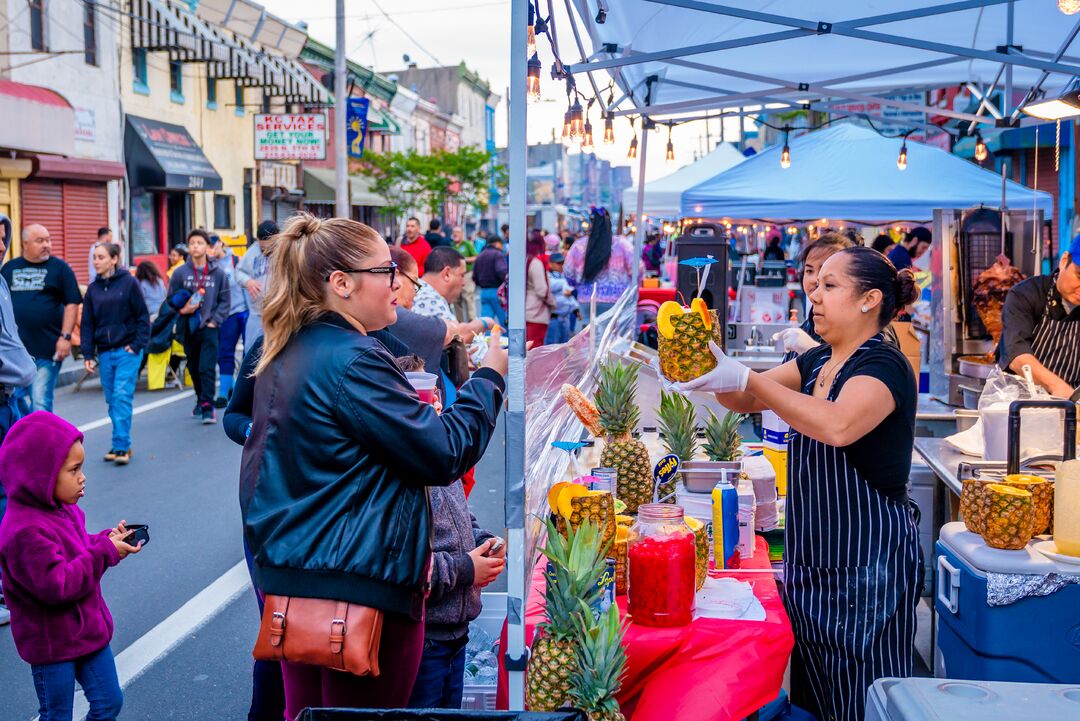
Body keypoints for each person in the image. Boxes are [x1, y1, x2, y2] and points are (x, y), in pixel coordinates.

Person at [239, 213, 507, 714]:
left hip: (299, 585)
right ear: (341, 284)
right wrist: (489, 379)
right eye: (386, 271)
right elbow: (443, 453)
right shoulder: (354, 358)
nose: (398, 284)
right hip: (362, 595)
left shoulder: (289, 349)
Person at [673, 247, 921, 721]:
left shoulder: (884, 366)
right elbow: (744, 398)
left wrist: (747, 375)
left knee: (861, 697)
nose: (815, 296)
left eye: (830, 286)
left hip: (868, 568)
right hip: (813, 562)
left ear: (870, 299)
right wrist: (707, 364)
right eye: (815, 284)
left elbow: (837, 425)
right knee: (814, 696)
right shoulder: (818, 360)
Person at [0, 412, 143, 721]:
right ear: (40, 476)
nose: (83, 477)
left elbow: (77, 548)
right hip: (52, 646)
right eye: (73, 469)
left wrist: (107, 540)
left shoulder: (62, 509)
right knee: (57, 715)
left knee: (109, 702)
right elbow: (58, 584)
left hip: (86, 632)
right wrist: (105, 552)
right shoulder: (24, 532)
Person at [397, 354, 505, 710]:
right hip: (425, 637)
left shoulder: (444, 464)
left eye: (438, 395)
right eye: (423, 397)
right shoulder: (406, 471)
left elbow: (462, 515)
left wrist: (481, 540)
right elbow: (408, 563)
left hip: (456, 634)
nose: (436, 403)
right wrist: (465, 569)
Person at [0, 223, 82, 414]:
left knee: (40, 402)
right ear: (25, 244)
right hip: (15, 356)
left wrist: (66, 337)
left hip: (48, 350)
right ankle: (30, 436)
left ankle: (43, 442)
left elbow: (72, 303)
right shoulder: (9, 268)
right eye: (40, 241)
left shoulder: (60, 268)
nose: (46, 244)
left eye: (48, 240)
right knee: (14, 401)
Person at [81, 243, 150, 465]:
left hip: (127, 351)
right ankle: (121, 443)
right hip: (105, 353)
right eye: (94, 257)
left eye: (101, 257)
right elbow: (87, 324)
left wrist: (137, 345)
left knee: (121, 396)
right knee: (112, 400)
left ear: (114, 259)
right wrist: (88, 354)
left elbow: (142, 317)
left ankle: (121, 446)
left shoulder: (129, 283)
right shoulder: (93, 289)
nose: (96, 261)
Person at [0, 213, 36, 627]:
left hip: (10, 399)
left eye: (2, 237)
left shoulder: (2, 281)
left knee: (13, 487)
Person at [997, 233, 1080, 398]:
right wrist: (1060, 389)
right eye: (1079, 276)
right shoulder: (1026, 294)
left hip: (1072, 412)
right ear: (1064, 260)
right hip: (1019, 405)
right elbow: (1017, 356)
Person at [168, 229, 230, 424]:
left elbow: (225, 300)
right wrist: (182, 310)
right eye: (192, 243)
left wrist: (215, 321)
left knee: (207, 367)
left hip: (210, 327)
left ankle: (207, 406)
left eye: (199, 243)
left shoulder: (218, 273)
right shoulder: (180, 273)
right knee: (193, 367)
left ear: (207, 247)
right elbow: (170, 300)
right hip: (188, 327)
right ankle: (200, 398)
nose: (195, 246)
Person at [773, 233, 856, 360]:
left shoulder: (858, 328)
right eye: (809, 271)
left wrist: (811, 349)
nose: (815, 279)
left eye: (824, 270)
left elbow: (852, 373)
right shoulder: (808, 326)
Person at [564, 207, 637, 323]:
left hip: (587, 301)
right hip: (616, 302)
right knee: (610, 339)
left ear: (590, 224)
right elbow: (638, 269)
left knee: (588, 338)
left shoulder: (579, 246)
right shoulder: (622, 244)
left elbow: (568, 273)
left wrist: (577, 285)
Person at [210, 236, 248, 408]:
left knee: (250, 352)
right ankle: (224, 393)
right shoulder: (209, 266)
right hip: (226, 315)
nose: (211, 249)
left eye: (213, 245)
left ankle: (247, 391)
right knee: (225, 352)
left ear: (220, 244)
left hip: (245, 312)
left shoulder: (236, 260)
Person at [235, 220, 277, 350]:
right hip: (256, 313)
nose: (264, 250)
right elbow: (238, 272)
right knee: (251, 351)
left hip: (278, 313)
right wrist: (248, 281)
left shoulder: (286, 250)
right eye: (262, 247)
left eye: (268, 247)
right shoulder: (252, 251)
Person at [525, 230, 556, 348]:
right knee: (535, 348)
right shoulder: (536, 262)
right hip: (536, 312)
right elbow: (541, 290)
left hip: (525, 310)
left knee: (527, 347)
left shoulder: (524, 260)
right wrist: (553, 303)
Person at [473, 236, 508, 327]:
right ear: (497, 243)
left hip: (483, 292)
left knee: (486, 323)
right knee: (504, 321)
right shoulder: (497, 254)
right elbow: (501, 271)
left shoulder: (480, 256)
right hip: (497, 291)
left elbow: (474, 276)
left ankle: (486, 340)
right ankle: (508, 340)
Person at [545, 252, 577, 344]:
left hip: (565, 317)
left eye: (563, 263)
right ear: (550, 263)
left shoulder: (563, 276)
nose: (561, 266)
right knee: (551, 348)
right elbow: (551, 285)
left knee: (564, 348)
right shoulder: (547, 275)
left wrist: (575, 308)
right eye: (559, 263)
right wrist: (566, 285)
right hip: (553, 318)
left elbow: (570, 295)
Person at [451, 225, 478, 322]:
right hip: (454, 275)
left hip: (466, 274)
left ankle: (472, 321)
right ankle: (460, 323)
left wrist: (464, 260)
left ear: (462, 234)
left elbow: (476, 257)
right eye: (454, 232)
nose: (455, 234)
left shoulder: (467, 244)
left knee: (468, 297)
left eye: (457, 232)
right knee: (456, 299)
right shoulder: (451, 245)